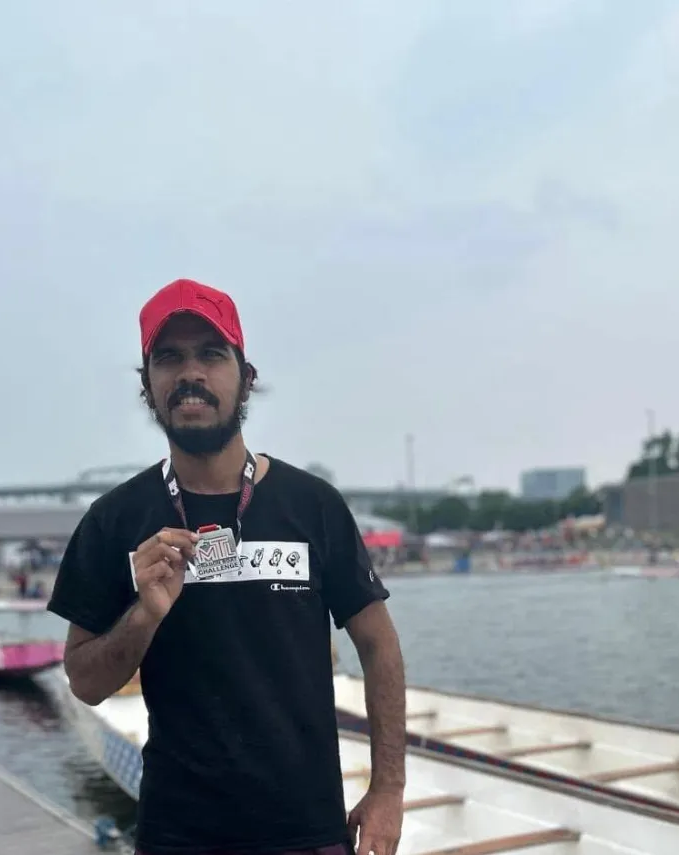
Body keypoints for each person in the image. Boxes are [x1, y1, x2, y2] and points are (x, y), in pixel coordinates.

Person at [48, 278, 407, 855]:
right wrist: (145, 613)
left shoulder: (312, 505)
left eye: (212, 355)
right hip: (180, 835)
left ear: (246, 377)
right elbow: (85, 684)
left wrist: (388, 788)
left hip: (309, 832)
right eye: (169, 358)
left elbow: (379, 646)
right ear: (148, 386)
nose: (191, 373)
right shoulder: (114, 520)